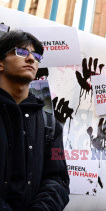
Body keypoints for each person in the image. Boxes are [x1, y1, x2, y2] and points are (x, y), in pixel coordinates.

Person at [0, 30, 70, 210]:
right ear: (1, 63)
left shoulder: (51, 126)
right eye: (22, 52)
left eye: (36, 56)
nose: (31, 59)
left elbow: (58, 180)